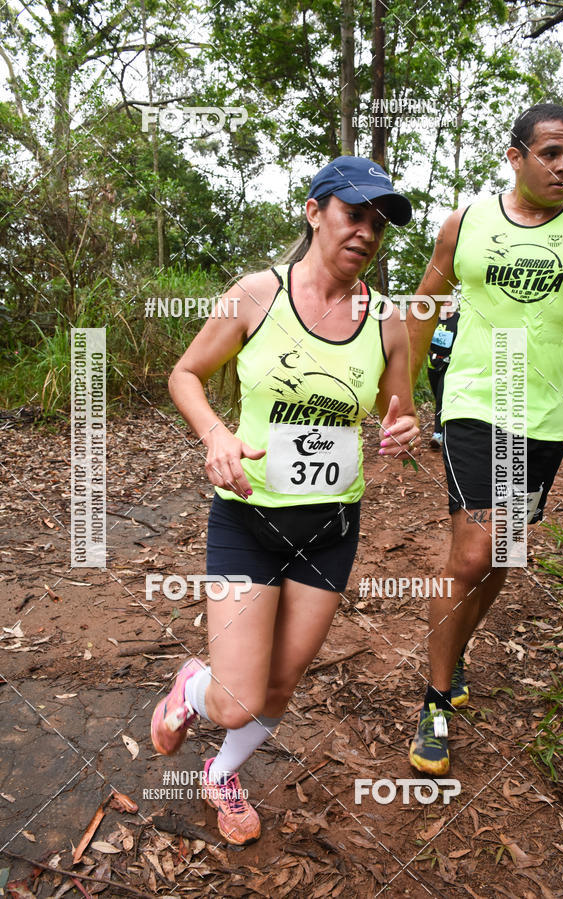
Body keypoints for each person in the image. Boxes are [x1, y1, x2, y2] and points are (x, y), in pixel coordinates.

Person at [150, 156, 419, 844]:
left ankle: (221, 773)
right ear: (314, 211)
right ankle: (192, 686)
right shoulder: (256, 294)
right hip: (247, 516)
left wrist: (402, 429)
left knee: (280, 685)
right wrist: (215, 432)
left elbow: (399, 412)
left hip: (331, 526)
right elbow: (185, 373)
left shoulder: (389, 323)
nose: (367, 232)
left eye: (379, 223)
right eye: (354, 213)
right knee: (237, 696)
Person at [405, 103, 563, 775]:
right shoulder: (467, 223)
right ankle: (435, 701)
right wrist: (399, 395)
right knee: (473, 551)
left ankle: (452, 647)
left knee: (503, 558)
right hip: (476, 403)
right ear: (515, 156)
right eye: (550, 152)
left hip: (544, 416)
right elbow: (425, 305)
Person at [426, 303, 460, 448]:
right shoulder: (431, 318)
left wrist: (452, 356)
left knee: (441, 397)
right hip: (432, 363)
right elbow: (424, 337)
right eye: (444, 301)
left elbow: (463, 340)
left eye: (449, 301)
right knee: (437, 397)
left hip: (449, 365)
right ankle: (448, 424)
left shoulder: (458, 319)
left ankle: (438, 434)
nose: (447, 304)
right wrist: (430, 354)